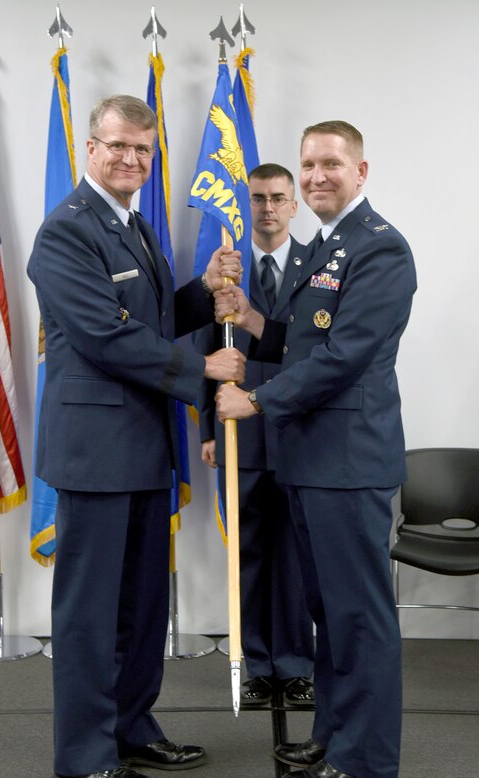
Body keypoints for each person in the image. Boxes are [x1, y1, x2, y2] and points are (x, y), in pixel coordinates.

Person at [27, 94, 245, 778]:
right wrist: (201, 367)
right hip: (96, 450)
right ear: (90, 149)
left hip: (146, 443)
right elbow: (105, 334)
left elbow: (148, 316)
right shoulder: (66, 231)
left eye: (142, 150)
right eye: (118, 145)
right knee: (91, 610)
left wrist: (202, 292)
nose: (130, 159)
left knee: (143, 602)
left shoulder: (136, 225)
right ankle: (81, 754)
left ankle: (130, 725)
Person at [215, 121, 416, 778]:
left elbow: (343, 356)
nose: (316, 175)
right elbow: (302, 340)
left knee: (358, 615)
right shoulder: (325, 247)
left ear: (361, 171)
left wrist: (256, 400)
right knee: (329, 613)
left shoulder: (379, 248)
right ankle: (333, 734)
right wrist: (252, 321)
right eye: (308, 164)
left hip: (349, 462)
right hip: (311, 461)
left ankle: (364, 758)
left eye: (331, 163)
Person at [195, 163, 314, 707]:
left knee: (295, 554)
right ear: (247, 207)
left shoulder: (319, 266)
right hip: (239, 432)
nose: (268, 208)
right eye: (259, 198)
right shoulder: (225, 269)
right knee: (247, 552)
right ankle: (258, 664)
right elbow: (206, 351)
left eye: (278, 198)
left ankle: (296, 664)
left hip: (298, 430)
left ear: (294, 205)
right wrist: (209, 426)